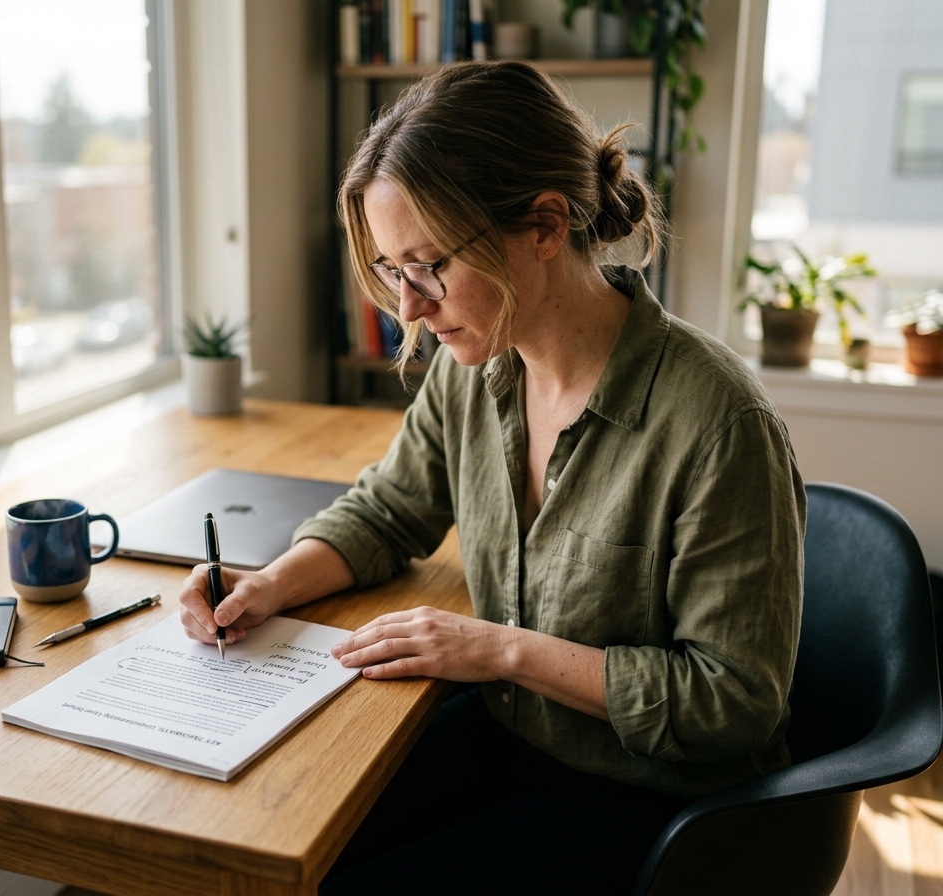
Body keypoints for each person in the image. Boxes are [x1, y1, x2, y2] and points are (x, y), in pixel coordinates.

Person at [178, 60, 805, 895]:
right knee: (273, 845)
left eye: (428, 266)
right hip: (515, 743)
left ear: (544, 224)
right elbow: (392, 508)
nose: (409, 308)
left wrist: (501, 650)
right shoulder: (473, 368)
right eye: (394, 272)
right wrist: (269, 584)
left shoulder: (719, 425)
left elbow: (731, 701)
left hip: (659, 804)